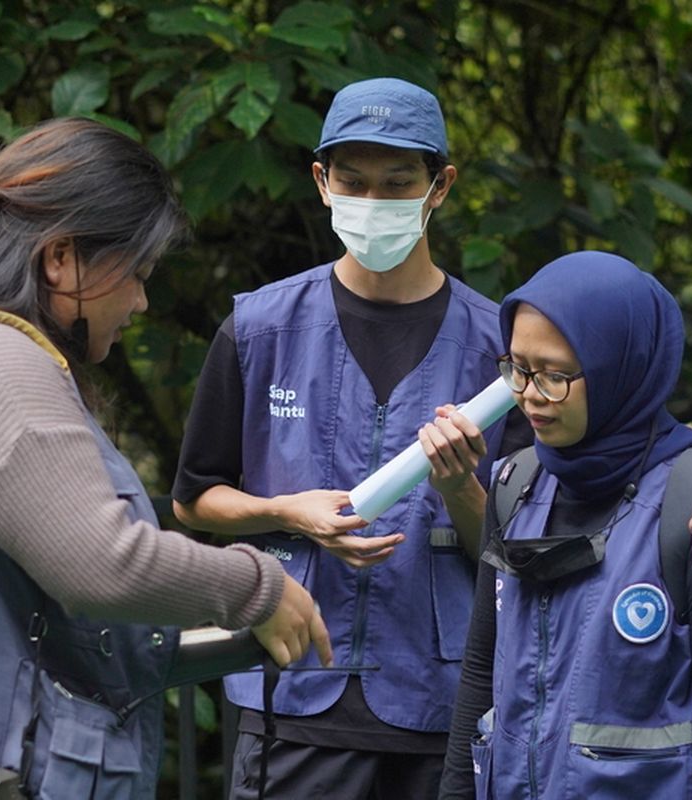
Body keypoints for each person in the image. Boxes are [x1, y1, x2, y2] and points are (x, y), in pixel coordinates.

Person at [0, 118, 329, 799]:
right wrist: (258, 588)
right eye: (137, 273)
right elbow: (100, 562)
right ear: (60, 258)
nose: (142, 301)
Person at [172, 77, 527, 799]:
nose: (373, 201)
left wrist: (461, 489)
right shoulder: (259, 330)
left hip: (443, 704)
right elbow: (193, 500)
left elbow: (516, 550)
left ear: (440, 186)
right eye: (354, 181)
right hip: (291, 691)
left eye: (398, 183)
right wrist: (285, 511)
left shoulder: (500, 350)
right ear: (321, 182)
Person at [439, 251, 692, 799]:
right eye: (518, 369)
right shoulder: (514, 484)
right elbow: (481, 672)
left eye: (555, 375)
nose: (530, 394)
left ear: (619, 369)